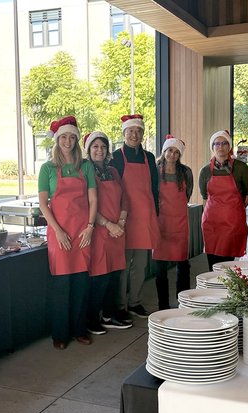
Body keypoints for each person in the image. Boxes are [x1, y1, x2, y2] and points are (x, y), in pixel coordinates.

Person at [38, 116, 97, 350]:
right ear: (57, 140)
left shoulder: (86, 166)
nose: (68, 141)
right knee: (62, 286)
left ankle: (79, 330)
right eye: (64, 137)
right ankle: (60, 334)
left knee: (81, 283)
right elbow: (44, 204)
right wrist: (58, 231)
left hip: (83, 232)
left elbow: (93, 199)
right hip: (59, 233)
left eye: (72, 137)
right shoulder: (48, 169)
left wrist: (91, 227)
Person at [110, 114, 160, 319]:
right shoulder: (116, 157)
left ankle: (135, 302)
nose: (134, 135)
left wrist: (155, 215)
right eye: (130, 131)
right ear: (124, 133)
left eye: (138, 131)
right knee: (123, 264)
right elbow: (113, 189)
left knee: (140, 265)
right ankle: (121, 304)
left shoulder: (149, 158)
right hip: (123, 218)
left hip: (145, 217)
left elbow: (154, 188)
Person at [83, 131, 133, 333]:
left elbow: (124, 198)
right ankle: (92, 318)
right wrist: (108, 225)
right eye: (95, 146)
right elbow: (87, 204)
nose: (99, 150)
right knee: (100, 277)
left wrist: (120, 221)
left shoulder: (112, 171)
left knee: (114, 276)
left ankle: (108, 315)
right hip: (100, 232)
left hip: (117, 232)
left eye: (103, 147)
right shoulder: (86, 171)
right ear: (88, 150)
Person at [199, 130, 248, 269]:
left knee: (228, 264)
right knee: (212, 263)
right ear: (212, 147)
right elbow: (205, 197)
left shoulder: (241, 168)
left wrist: (236, 209)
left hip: (232, 222)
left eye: (224, 143)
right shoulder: (205, 171)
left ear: (229, 146)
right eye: (216, 144)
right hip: (212, 223)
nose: (220, 147)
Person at [152, 135, 193, 310]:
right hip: (160, 222)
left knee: (182, 264)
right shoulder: (154, 170)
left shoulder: (185, 172)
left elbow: (188, 194)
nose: (173, 155)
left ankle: (182, 302)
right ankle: (163, 305)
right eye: (170, 150)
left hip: (180, 223)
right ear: (164, 151)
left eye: (177, 152)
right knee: (159, 267)